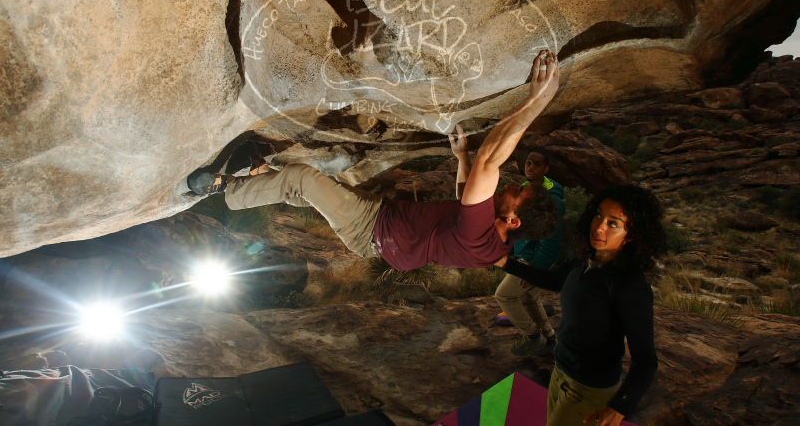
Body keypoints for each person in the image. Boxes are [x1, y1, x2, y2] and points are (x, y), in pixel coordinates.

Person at [187, 50, 560, 270]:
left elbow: (489, 165)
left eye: (519, 193)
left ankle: (227, 191)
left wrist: (535, 101)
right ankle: (261, 174)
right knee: (312, 191)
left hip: (372, 231)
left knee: (303, 179)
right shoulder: (492, 242)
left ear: (514, 219)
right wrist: (462, 156)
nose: (513, 184)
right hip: (384, 221)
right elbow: (465, 194)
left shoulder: (480, 238)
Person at [494, 185, 664, 426]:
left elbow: (646, 360)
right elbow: (555, 281)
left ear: (632, 234)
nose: (599, 227)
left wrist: (618, 408)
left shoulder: (630, 286)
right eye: (598, 215)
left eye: (613, 223)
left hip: (589, 389)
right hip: (560, 371)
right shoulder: (585, 259)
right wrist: (506, 263)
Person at [494, 150, 565, 357]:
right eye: (528, 163)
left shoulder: (553, 199)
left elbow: (552, 240)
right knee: (530, 299)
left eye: (536, 164)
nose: (530, 167)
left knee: (504, 295)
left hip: (534, 262)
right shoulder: (526, 189)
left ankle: (532, 337)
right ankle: (551, 338)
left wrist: (534, 269)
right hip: (525, 257)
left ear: (546, 169)